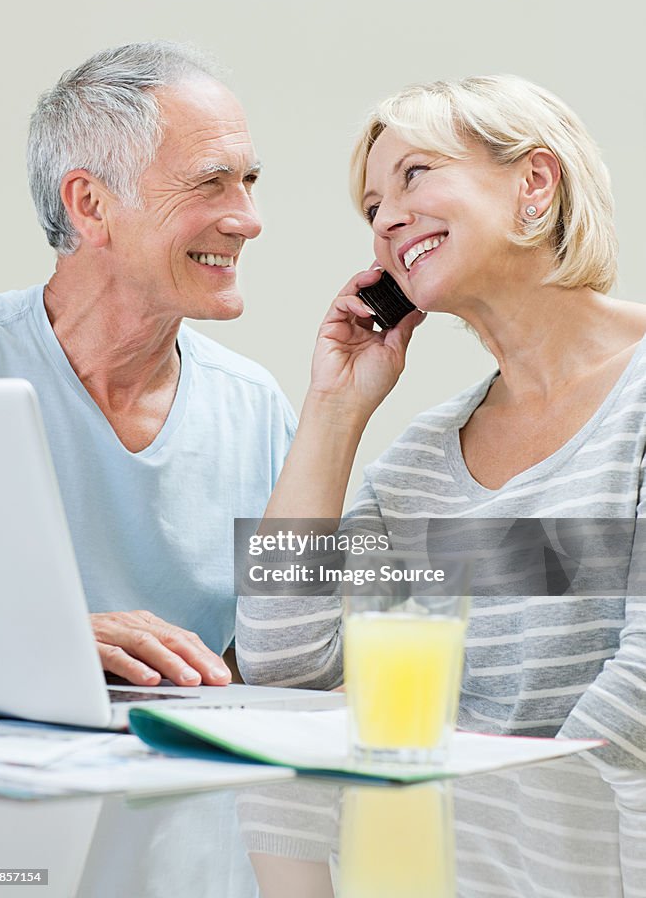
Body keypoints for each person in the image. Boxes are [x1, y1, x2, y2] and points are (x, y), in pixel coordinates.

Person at [236, 74, 646, 767]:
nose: (386, 220)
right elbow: (283, 661)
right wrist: (333, 409)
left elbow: (634, 700)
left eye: (414, 175)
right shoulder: (419, 464)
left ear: (535, 183)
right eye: (371, 207)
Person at [0, 41, 296, 687]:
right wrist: (47, 640)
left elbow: (295, 649)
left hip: (172, 767)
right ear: (90, 205)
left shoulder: (254, 408)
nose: (248, 220)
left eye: (248, 181)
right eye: (210, 182)